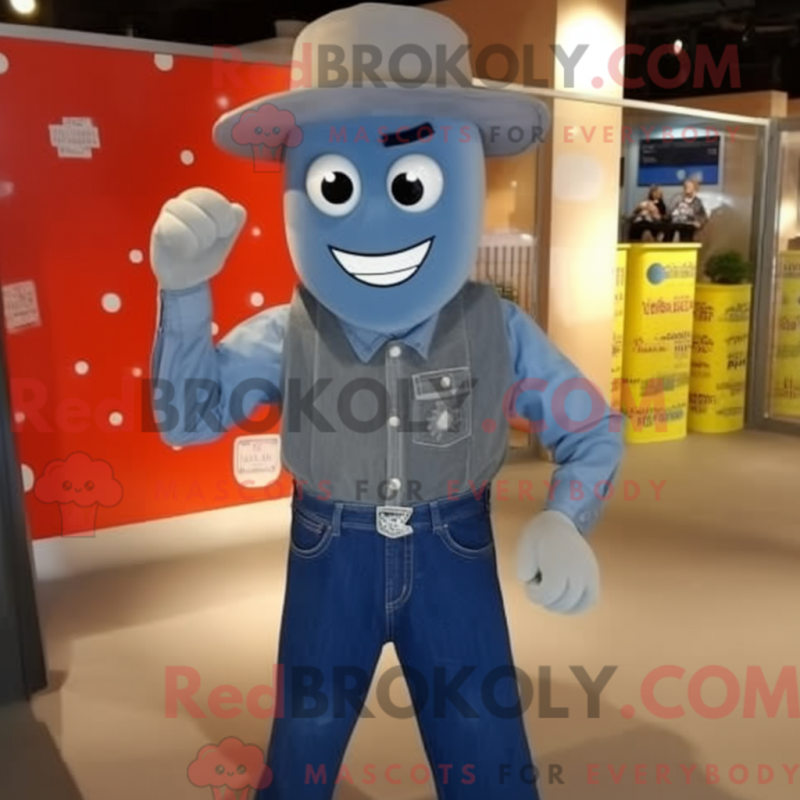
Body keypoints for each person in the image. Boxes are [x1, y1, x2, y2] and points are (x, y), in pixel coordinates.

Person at [149, 5, 624, 798]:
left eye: (411, 183)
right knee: (303, 749)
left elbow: (593, 429)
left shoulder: (495, 326)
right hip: (330, 551)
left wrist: (566, 516)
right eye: (335, 185)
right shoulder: (288, 331)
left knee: (485, 749)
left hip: (455, 548)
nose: (374, 216)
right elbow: (188, 419)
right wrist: (186, 293)